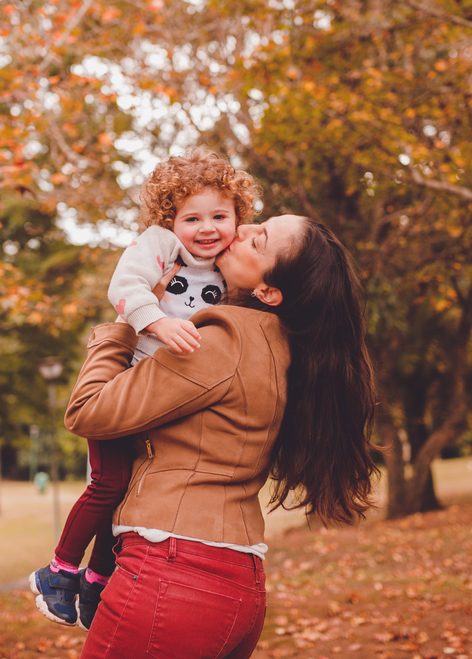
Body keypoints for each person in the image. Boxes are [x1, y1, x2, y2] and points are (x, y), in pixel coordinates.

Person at [63, 214, 378, 659]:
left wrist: (126, 325)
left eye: (259, 240)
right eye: (256, 223)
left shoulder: (224, 341)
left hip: (172, 572)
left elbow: (87, 411)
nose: (240, 232)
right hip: (238, 583)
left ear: (268, 291)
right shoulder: (282, 345)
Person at [29, 152, 259, 630]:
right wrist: (153, 319)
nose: (207, 228)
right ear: (170, 220)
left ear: (238, 216)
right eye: (191, 217)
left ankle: (96, 580)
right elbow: (125, 282)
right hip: (125, 381)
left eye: (220, 216)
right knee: (109, 483)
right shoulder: (162, 246)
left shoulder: (227, 266)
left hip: (163, 397)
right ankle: (59, 570)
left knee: (132, 491)